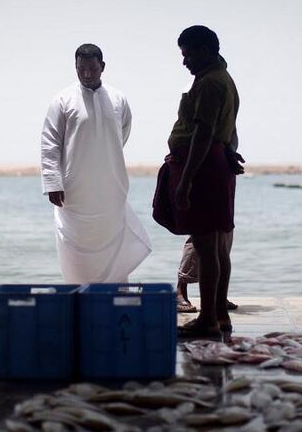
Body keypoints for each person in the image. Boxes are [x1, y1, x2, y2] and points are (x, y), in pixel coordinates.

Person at [153, 25, 240, 337]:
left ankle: (208, 318)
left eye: (188, 54)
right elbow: (229, 130)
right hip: (215, 164)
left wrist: (186, 180)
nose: (185, 61)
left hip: (203, 168)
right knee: (216, 246)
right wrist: (230, 151)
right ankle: (219, 316)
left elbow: (203, 134)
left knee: (206, 245)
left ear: (206, 50)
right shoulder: (221, 79)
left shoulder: (211, 85)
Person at [41, 43, 152, 283]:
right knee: (75, 244)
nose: (87, 74)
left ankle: (114, 294)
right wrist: (53, 182)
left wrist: (103, 158)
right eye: (81, 69)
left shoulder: (118, 98)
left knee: (113, 239)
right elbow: (50, 143)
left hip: (110, 186)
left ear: (102, 67)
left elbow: (121, 134)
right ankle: (79, 293)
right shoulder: (62, 100)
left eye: (92, 68)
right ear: (76, 68)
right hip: (73, 190)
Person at [176, 125, 244, 314]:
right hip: (204, 166)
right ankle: (181, 289)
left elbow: (231, 132)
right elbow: (200, 134)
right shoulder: (206, 95)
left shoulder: (228, 96)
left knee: (223, 232)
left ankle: (217, 297)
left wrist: (229, 153)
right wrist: (187, 177)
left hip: (222, 165)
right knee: (202, 233)